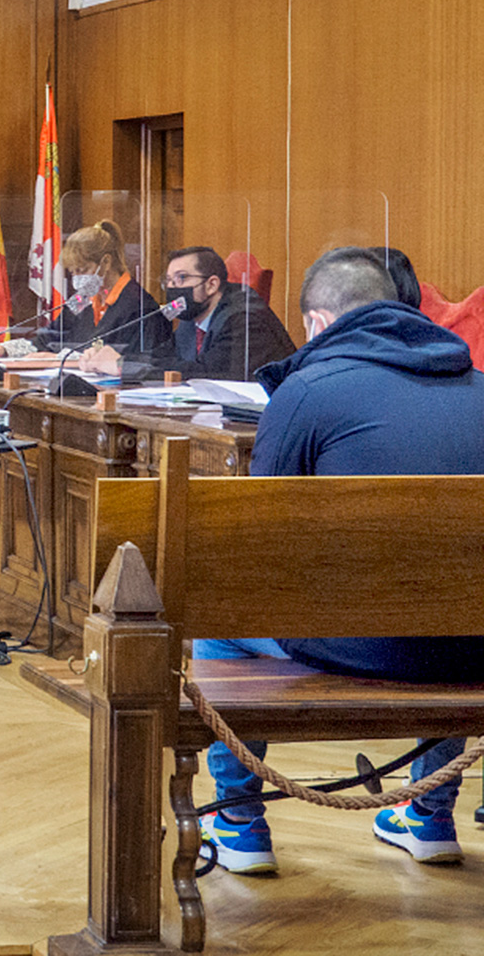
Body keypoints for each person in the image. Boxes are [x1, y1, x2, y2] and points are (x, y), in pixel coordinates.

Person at [198, 248, 484, 875]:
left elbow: (260, 541)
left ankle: (239, 825)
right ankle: (430, 816)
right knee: (448, 596)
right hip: (477, 649)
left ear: (320, 324)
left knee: (219, 622)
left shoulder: (308, 390)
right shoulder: (480, 388)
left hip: (369, 649)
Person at [88, 246, 295, 381]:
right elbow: (164, 355)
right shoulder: (193, 317)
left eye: (182, 278)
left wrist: (122, 366)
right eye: (169, 281)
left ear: (212, 284)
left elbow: (205, 372)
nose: (173, 288)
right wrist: (114, 358)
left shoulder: (244, 320)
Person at [41, 220, 172, 361]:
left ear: (106, 262)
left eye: (83, 270)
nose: (77, 278)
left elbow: (142, 362)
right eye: (73, 272)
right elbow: (50, 335)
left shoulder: (141, 307)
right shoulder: (82, 299)